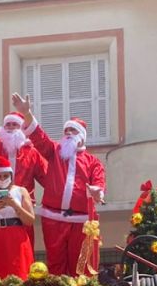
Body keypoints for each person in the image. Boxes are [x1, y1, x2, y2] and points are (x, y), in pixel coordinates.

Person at [12, 92, 105, 276]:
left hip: (81, 221)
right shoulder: (54, 151)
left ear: (83, 137)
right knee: (56, 265)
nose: (69, 134)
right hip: (53, 219)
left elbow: (99, 182)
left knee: (81, 265)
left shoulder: (92, 162)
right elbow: (39, 137)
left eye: (74, 131)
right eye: (66, 131)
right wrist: (27, 113)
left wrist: (97, 192)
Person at [0, 157, 35, 279]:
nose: (2, 179)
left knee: (18, 272)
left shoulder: (21, 191)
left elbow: (30, 221)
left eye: (5, 175)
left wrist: (14, 205)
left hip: (16, 237)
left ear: (11, 175)